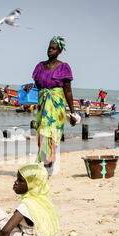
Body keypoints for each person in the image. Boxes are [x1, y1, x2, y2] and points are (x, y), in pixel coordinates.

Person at [24, 36, 77, 176]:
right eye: (49, 47)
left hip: (56, 107)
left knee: (50, 135)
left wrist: (73, 112)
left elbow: (68, 91)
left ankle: (48, 167)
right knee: (42, 134)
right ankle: (47, 166)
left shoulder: (63, 67)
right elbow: (38, 86)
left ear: (59, 51)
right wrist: (31, 86)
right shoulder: (40, 66)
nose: (50, 50)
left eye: (54, 48)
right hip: (43, 106)